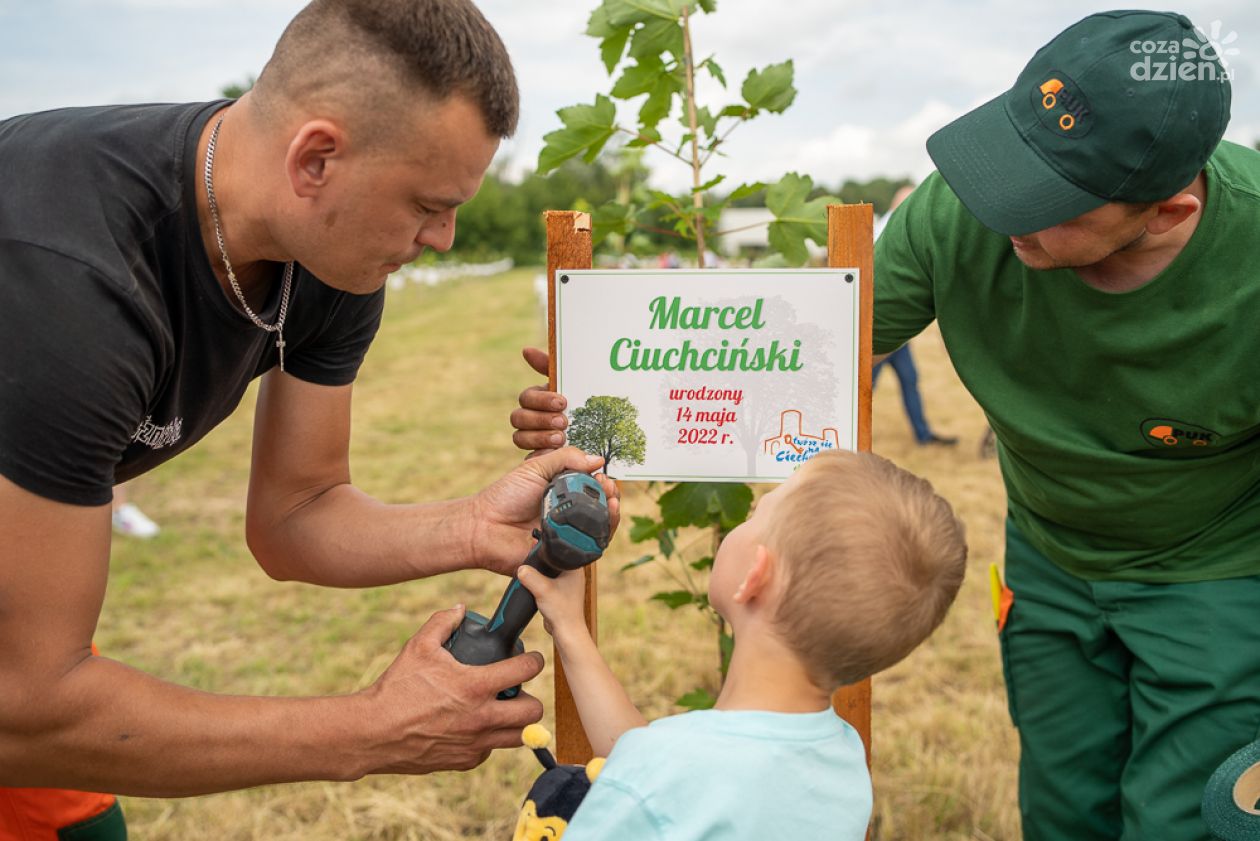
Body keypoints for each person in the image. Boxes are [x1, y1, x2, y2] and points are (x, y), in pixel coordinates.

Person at [513, 10, 1256, 839]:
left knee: (1186, 818)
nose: (1006, 215)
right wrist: (611, 384)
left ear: (1166, 213)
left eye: (1052, 202)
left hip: (1216, 568)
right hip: (1050, 553)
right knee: (1063, 801)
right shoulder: (961, 216)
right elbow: (803, 349)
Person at [0, 0, 620, 836]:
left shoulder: (330, 256)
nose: (443, 238)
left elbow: (295, 516)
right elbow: (27, 707)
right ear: (316, 159)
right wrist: (371, 728)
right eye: (430, 204)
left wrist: (474, 525)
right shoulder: (72, 279)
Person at [516, 450, 968, 840]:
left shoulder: (657, 784)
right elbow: (647, 766)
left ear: (755, 573)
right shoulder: (843, 759)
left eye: (756, 515)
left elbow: (651, 780)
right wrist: (571, 630)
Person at [872, 186, 957, 447]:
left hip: (899, 326)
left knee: (909, 380)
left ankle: (922, 435)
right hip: (877, 323)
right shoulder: (883, 232)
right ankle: (838, 437)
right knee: (863, 385)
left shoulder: (909, 232)